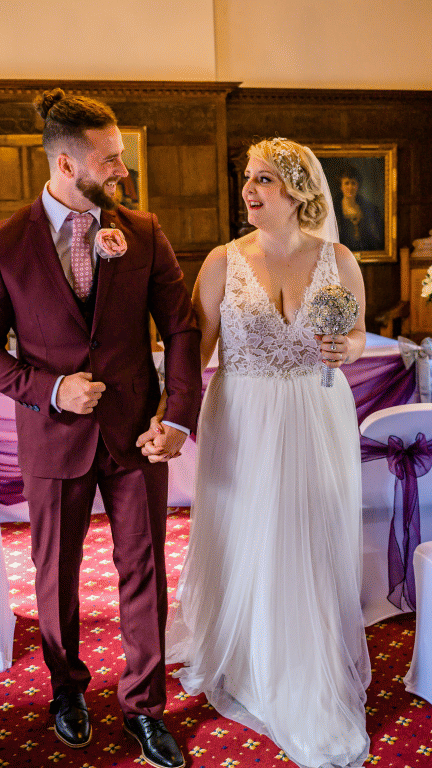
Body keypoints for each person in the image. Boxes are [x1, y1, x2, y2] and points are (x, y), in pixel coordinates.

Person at [0, 89, 201, 768]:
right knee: (55, 573)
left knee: (144, 569)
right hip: (53, 435)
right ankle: (67, 690)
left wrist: (178, 416)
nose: (123, 170)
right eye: (111, 159)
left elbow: (182, 327)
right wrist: (50, 388)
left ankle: (144, 707)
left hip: (137, 434)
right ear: (66, 165)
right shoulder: (2, 243)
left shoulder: (143, 232)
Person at [167, 138, 371, 768]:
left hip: (316, 412)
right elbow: (197, 347)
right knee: (247, 530)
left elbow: (357, 333)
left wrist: (347, 349)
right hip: (243, 416)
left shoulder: (337, 259)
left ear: (297, 191)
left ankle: (303, 660)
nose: (249, 191)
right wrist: (167, 408)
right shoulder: (223, 261)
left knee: (307, 532)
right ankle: (248, 654)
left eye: (263, 180)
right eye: (248, 179)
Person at [334, 165, 384, 252]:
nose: (350, 187)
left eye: (353, 183)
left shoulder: (369, 208)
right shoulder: (334, 209)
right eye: (346, 183)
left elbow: (374, 237)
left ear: (358, 186)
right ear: (341, 186)